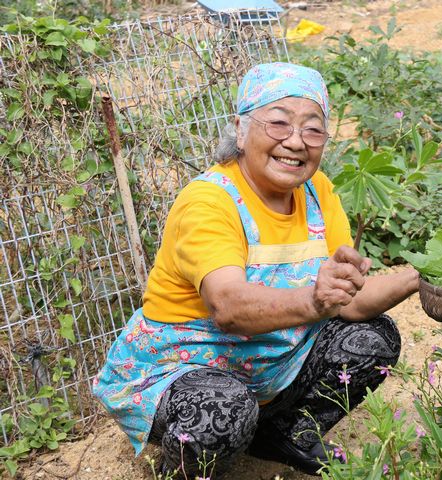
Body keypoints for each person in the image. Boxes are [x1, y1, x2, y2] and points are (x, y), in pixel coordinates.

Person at [92, 62, 420, 477]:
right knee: (224, 410)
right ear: (241, 130)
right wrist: (315, 299)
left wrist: (419, 278)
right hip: (180, 372)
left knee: (372, 338)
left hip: (271, 363)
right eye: (279, 124)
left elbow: (347, 302)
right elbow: (229, 308)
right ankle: (182, 466)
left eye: (313, 129)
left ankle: (283, 431)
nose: (296, 142)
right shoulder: (210, 202)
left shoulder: (318, 192)